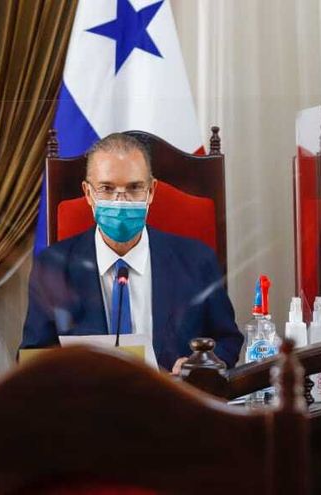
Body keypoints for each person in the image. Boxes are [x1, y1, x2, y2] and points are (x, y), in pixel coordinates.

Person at [21, 133, 243, 371]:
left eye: (134, 187)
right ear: (88, 193)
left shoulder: (197, 260)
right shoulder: (52, 266)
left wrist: (198, 366)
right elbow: (34, 357)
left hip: (172, 393)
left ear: (151, 191)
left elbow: (228, 340)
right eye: (107, 188)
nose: (121, 201)